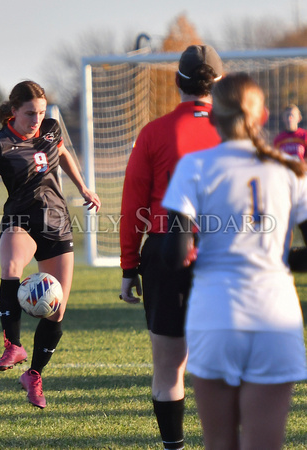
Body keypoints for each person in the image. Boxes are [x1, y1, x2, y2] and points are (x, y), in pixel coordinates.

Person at [162, 72, 307, 449]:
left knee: (219, 444)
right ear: (262, 116)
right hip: (276, 313)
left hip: (216, 311)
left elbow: (174, 253)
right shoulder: (292, 171)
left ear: (213, 117)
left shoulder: (194, 166)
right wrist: (275, 258)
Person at [0, 80, 101, 409]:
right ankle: (13, 345)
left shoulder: (51, 129)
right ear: (14, 111)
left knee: (56, 311)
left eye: (41, 112)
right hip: (21, 221)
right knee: (11, 268)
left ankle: (34, 375)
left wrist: (84, 187)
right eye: (30, 113)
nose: (37, 119)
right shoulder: (1, 143)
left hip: (57, 224)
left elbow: (64, 154)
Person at [119, 45, 223, 450]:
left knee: (168, 368)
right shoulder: (240, 131)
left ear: (177, 83)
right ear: (217, 83)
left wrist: (129, 267)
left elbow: (133, 205)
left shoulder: (153, 132)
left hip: (166, 249)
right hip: (224, 249)